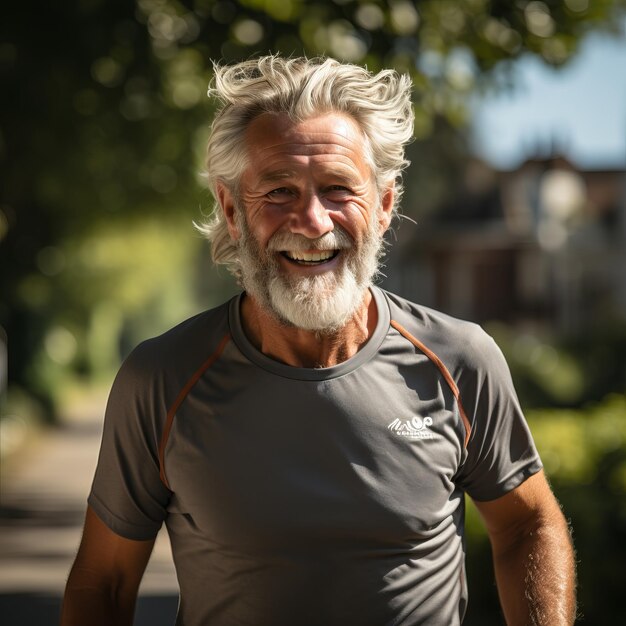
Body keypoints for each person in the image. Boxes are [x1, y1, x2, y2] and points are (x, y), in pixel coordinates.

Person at [62, 55, 576, 626]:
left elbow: (528, 523)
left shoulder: (461, 361)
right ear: (232, 210)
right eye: (279, 190)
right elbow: (103, 582)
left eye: (337, 189)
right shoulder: (162, 377)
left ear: (383, 206)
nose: (312, 220)